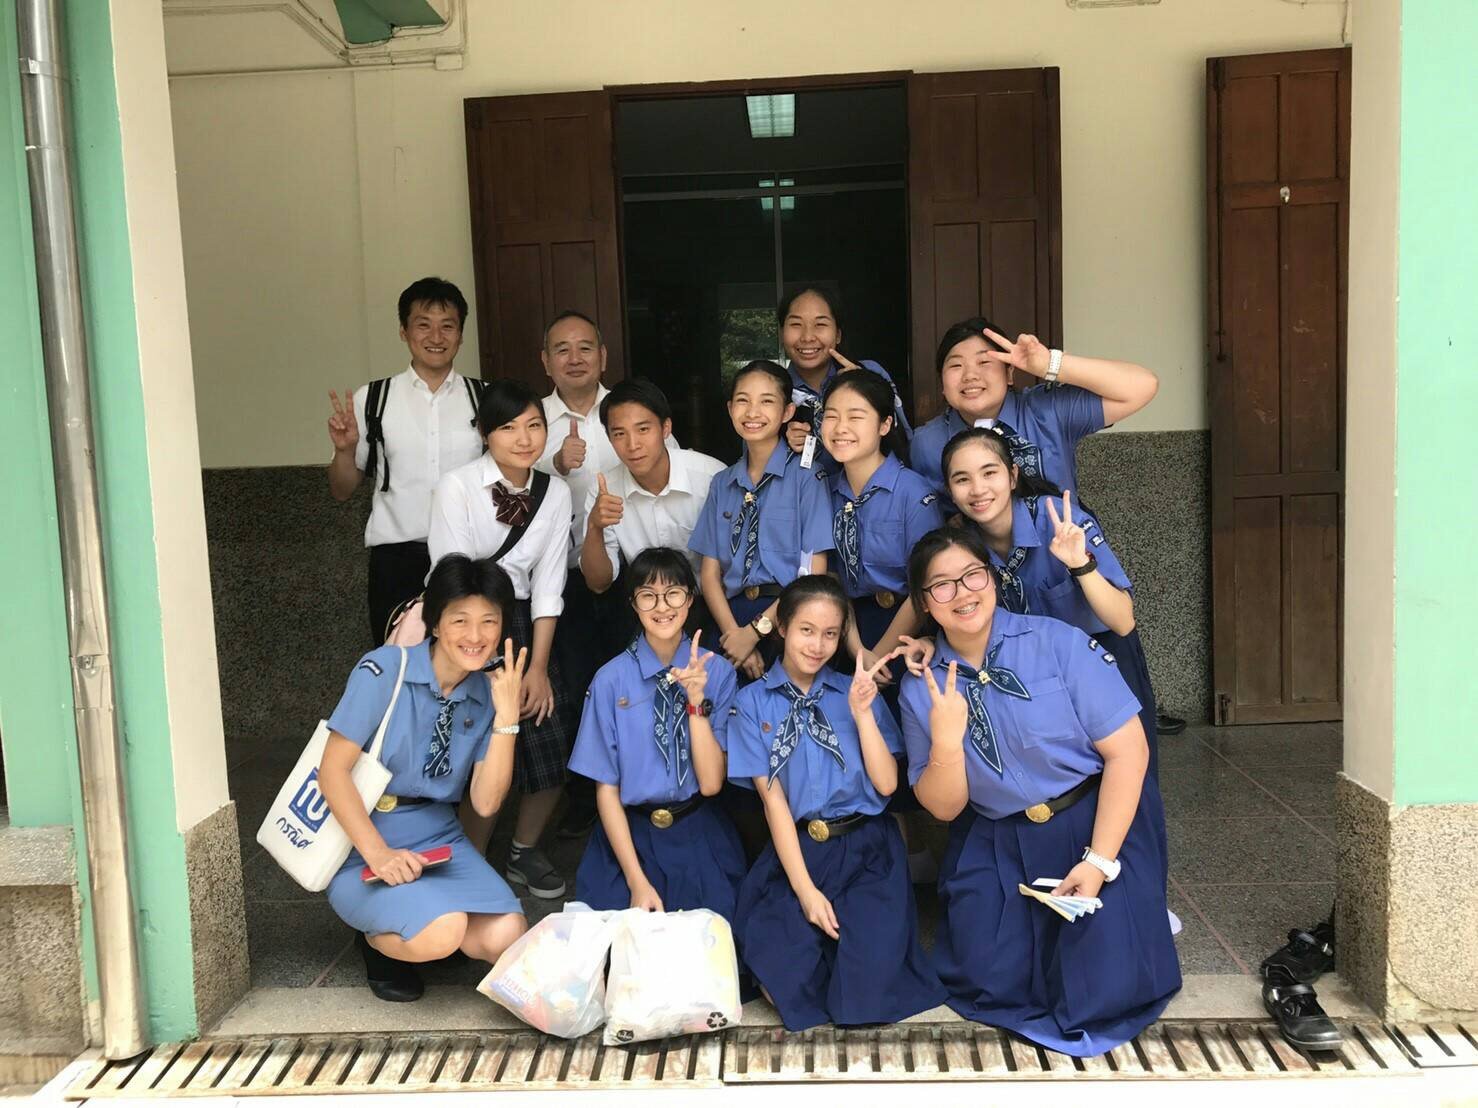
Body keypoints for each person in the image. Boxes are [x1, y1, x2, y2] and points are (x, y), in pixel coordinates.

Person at [898, 528, 1180, 1057]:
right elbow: (945, 807)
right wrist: (946, 742)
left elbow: (1129, 752)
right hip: (999, 837)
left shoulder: (1056, 642)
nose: (962, 593)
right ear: (924, 604)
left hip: (1088, 825)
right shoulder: (921, 684)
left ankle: (1138, 909)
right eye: (941, 586)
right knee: (988, 979)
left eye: (972, 576)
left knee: (1102, 990)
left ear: (992, 579)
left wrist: (1098, 862)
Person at [728, 576, 946, 1031]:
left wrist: (862, 713)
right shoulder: (751, 703)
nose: (818, 645)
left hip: (868, 850)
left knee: (866, 997)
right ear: (783, 627)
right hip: (803, 848)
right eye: (807, 630)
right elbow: (774, 804)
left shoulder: (856, 691)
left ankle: (849, 962)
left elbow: (886, 785)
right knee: (781, 978)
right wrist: (807, 892)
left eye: (830, 633)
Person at [320, 554, 528, 1002]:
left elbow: (486, 803)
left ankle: (423, 921)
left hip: (438, 839)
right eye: (460, 620)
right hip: (361, 838)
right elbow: (332, 772)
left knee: (507, 933)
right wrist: (378, 854)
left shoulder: (487, 692)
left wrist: (507, 717)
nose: (475, 636)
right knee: (443, 931)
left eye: (489, 622)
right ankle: (378, 943)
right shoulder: (384, 670)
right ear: (434, 622)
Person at [941, 426, 1163, 781]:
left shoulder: (1060, 521)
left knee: (1128, 773)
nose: (978, 489)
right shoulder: (962, 544)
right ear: (951, 491)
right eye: (962, 479)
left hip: (1101, 656)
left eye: (989, 473)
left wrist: (1079, 565)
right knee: (1063, 781)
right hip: (1031, 670)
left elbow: (1123, 620)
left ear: (1013, 475)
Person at [428, 380, 575, 900]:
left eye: (534, 425)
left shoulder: (554, 492)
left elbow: (550, 585)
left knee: (550, 733)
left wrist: (536, 668)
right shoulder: (458, 486)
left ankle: (523, 850)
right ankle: (467, 861)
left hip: (524, 626)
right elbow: (453, 576)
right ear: (485, 433)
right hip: (466, 625)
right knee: (480, 742)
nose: (524, 438)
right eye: (508, 427)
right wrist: (482, 657)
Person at [567, 549, 746, 920]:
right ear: (633, 604)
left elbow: (711, 784)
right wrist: (636, 880)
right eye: (648, 595)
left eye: (673, 593)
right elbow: (606, 789)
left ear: (690, 598)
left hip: (697, 830)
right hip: (629, 835)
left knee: (714, 940)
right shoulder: (610, 680)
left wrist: (696, 703)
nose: (662, 606)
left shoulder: (718, 673)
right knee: (617, 943)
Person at [326, 277, 485, 643]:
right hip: (396, 560)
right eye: (423, 325)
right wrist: (346, 450)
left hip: (468, 555)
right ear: (403, 331)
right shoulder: (373, 399)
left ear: (461, 335)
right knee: (398, 662)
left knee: (470, 659)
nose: (436, 336)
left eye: (448, 326)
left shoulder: (483, 398)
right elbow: (341, 489)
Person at [690, 360, 834, 680]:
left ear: (787, 412)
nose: (752, 412)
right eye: (743, 400)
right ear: (730, 409)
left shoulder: (807, 477)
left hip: (790, 617)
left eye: (766, 401)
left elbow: (814, 571)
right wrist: (735, 636)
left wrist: (755, 633)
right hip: (730, 623)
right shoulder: (722, 483)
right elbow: (710, 574)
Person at [535, 310, 621, 839]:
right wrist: (555, 464)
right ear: (545, 361)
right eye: (561, 349)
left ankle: (627, 790)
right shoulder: (530, 420)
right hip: (556, 579)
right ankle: (580, 797)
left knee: (622, 684)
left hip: (622, 575)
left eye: (585, 347)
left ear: (602, 357)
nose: (574, 358)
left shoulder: (626, 411)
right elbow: (502, 479)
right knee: (571, 688)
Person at [910, 318, 1159, 497]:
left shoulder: (1048, 410)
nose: (970, 375)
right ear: (942, 384)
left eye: (984, 362)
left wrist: (1051, 364)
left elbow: (1143, 386)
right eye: (956, 366)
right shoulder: (926, 443)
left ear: (1009, 373)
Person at [578, 379, 725, 647]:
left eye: (643, 429)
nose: (632, 444)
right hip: (646, 613)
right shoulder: (604, 490)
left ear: (666, 428)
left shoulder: (711, 478)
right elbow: (599, 583)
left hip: (711, 605)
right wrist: (595, 527)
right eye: (619, 434)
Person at [819, 370, 944, 671]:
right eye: (831, 416)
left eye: (855, 416)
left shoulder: (914, 493)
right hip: (845, 630)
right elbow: (833, 577)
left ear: (885, 424)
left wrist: (878, 657)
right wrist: (857, 650)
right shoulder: (824, 492)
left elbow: (925, 585)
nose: (840, 428)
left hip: (906, 631)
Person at [778, 287, 911, 473]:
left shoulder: (870, 372)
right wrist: (783, 444)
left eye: (820, 324)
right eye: (796, 324)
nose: (807, 337)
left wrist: (865, 388)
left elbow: (903, 441)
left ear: (838, 334)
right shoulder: (773, 391)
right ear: (781, 333)